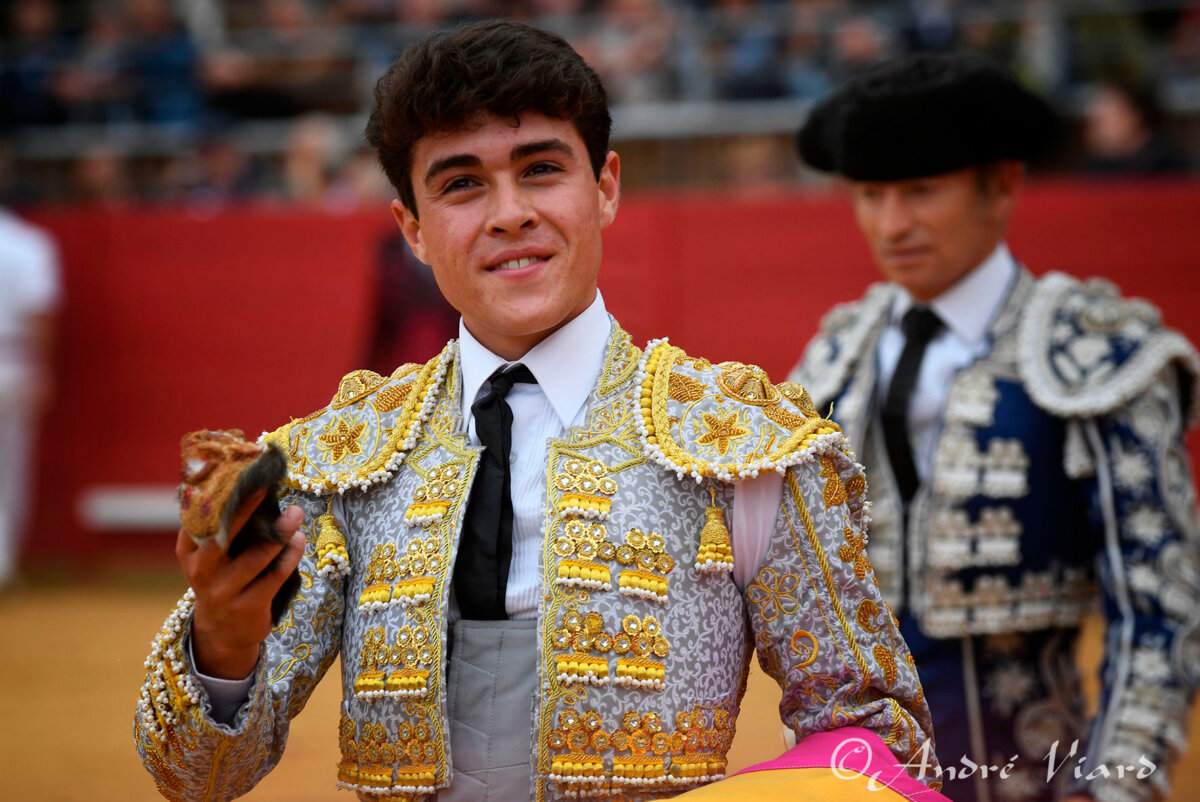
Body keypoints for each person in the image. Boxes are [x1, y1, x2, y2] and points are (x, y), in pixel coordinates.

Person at [134, 20, 940, 802]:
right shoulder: (339, 462)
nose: (509, 212)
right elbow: (195, 777)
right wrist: (227, 642)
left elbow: (875, 737)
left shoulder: (746, 448)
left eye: (541, 170)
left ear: (606, 188)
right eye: (461, 185)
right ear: (411, 229)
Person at [790, 51, 1200, 802]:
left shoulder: (1097, 355)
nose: (892, 224)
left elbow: (1157, 613)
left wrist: (1116, 788)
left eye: (921, 191)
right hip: (856, 785)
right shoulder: (832, 358)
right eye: (871, 194)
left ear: (1002, 185)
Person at [0, 205, 59, 590]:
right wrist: (42, 368)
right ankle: (3, 566)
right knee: (9, 470)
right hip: (13, 361)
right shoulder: (26, 242)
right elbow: (40, 312)